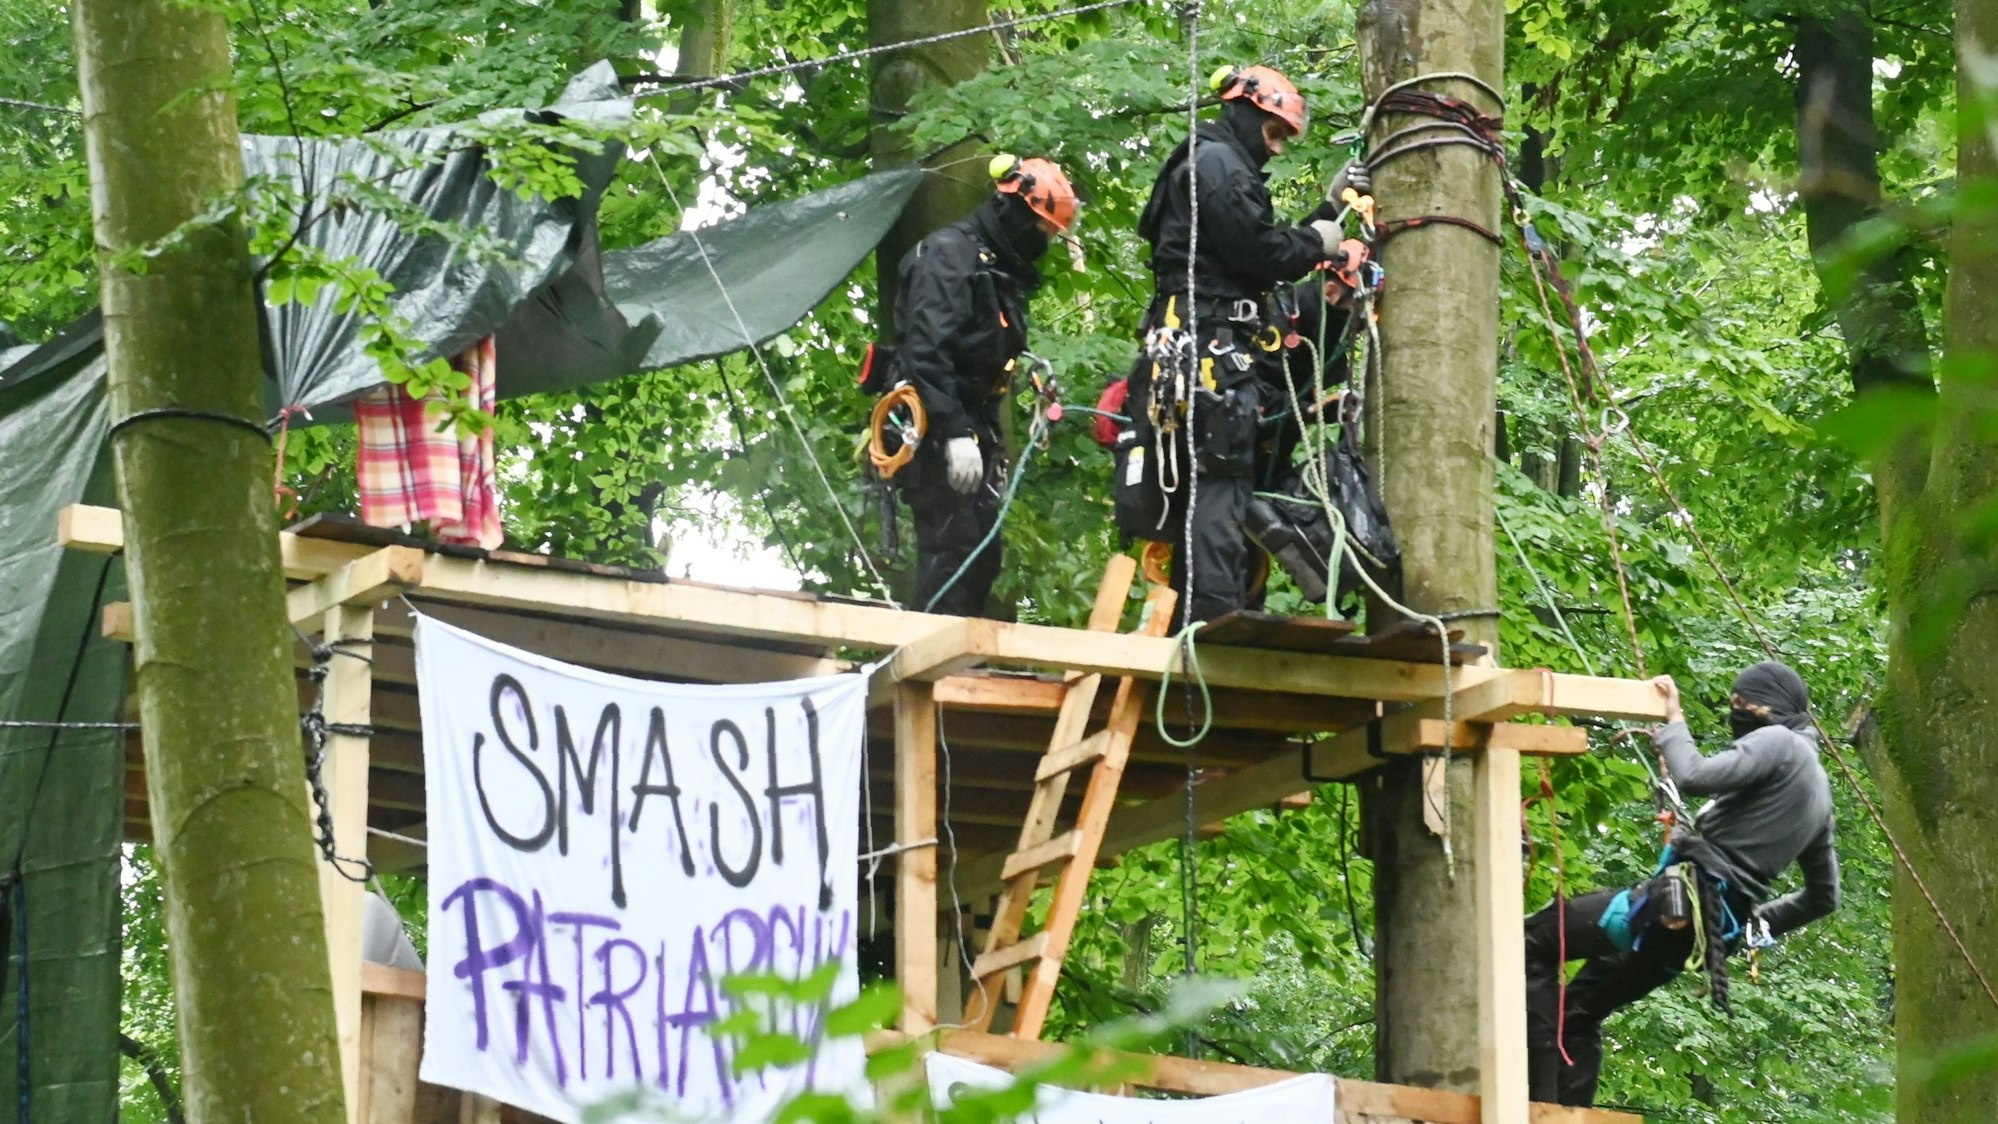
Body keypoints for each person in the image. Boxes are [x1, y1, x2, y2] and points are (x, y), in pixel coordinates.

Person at [1524, 660, 1841, 1106]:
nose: (1736, 713)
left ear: (1768, 706)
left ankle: (1530, 1107)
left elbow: (1693, 775)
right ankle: (1564, 1115)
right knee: (1578, 1013)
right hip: (1699, 936)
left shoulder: (1780, 742)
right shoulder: (1819, 795)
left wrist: (1674, 720)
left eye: (1740, 703)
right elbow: (1824, 898)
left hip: (1675, 907)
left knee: (1533, 939)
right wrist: (1745, 922)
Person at [1126, 63, 1369, 624]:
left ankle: (1215, 606)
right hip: (1208, 344)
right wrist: (1321, 239)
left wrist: (1330, 213)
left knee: (1223, 476)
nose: (1278, 149)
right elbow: (1260, 255)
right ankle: (1214, 616)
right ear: (1247, 110)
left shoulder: (1211, 163)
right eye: (1275, 133)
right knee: (1222, 478)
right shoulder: (1217, 164)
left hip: (1200, 340)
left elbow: (1251, 259)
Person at [886, 155, 1078, 616]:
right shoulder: (950, 255)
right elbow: (925, 351)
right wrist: (952, 431)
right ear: (1020, 215)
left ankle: (955, 660)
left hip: (971, 423)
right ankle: (931, 664)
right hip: (932, 424)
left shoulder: (992, 266)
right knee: (954, 547)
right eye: (1045, 230)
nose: (1046, 242)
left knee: (982, 555)